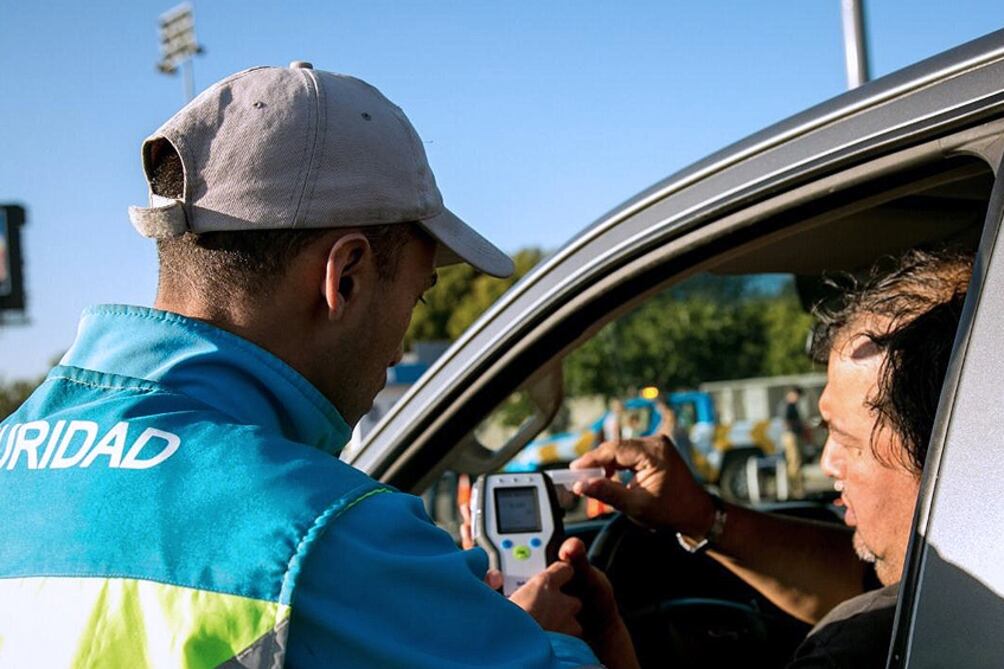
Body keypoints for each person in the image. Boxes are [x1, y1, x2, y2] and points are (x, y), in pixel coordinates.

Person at [0, 63, 635, 668]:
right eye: (415, 298)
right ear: (346, 277)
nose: (399, 348)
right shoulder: (333, 531)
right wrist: (547, 641)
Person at [572, 248, 972, 668]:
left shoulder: (854, 652)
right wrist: (700, 516)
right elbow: (859, 582)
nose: (828, 463)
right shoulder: (956, 591)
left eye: (845, 438)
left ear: (943, 448)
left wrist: (599, 642)